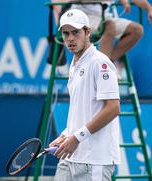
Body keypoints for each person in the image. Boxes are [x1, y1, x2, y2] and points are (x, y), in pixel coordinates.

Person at [49, 8, 121, 181]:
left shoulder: (100, 62)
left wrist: (77, 137)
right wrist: (66, 134)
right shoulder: (74, 65)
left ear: (87, 32)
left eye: (75, 32)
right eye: (66, 34)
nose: (70, 38)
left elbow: (113, 108)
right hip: (70, 156)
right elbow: (84, 111)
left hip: (95, 160)